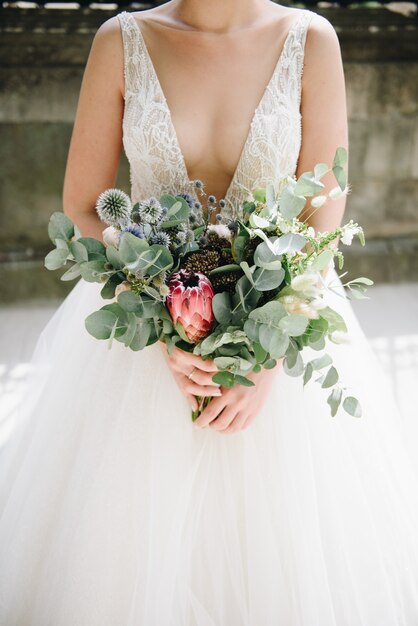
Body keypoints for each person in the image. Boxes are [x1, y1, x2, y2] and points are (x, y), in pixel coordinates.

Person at [1, 1, 418, 623]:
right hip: (139, 342)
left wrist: (270, 354)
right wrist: (158, 317)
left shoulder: (311, 40)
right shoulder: (122, 40)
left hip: (283, 337)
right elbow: (85, 209)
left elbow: (321, 221)